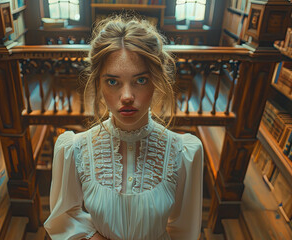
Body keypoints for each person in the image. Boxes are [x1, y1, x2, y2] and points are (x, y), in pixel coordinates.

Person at [44, 15, 203, 240]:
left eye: (140, 80)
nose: (127, 96)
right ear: (98, 83)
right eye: (112, 81)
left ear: (156, 80)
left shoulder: (184, 152)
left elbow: (184, 231)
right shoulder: (75, 149)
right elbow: (63, 218)